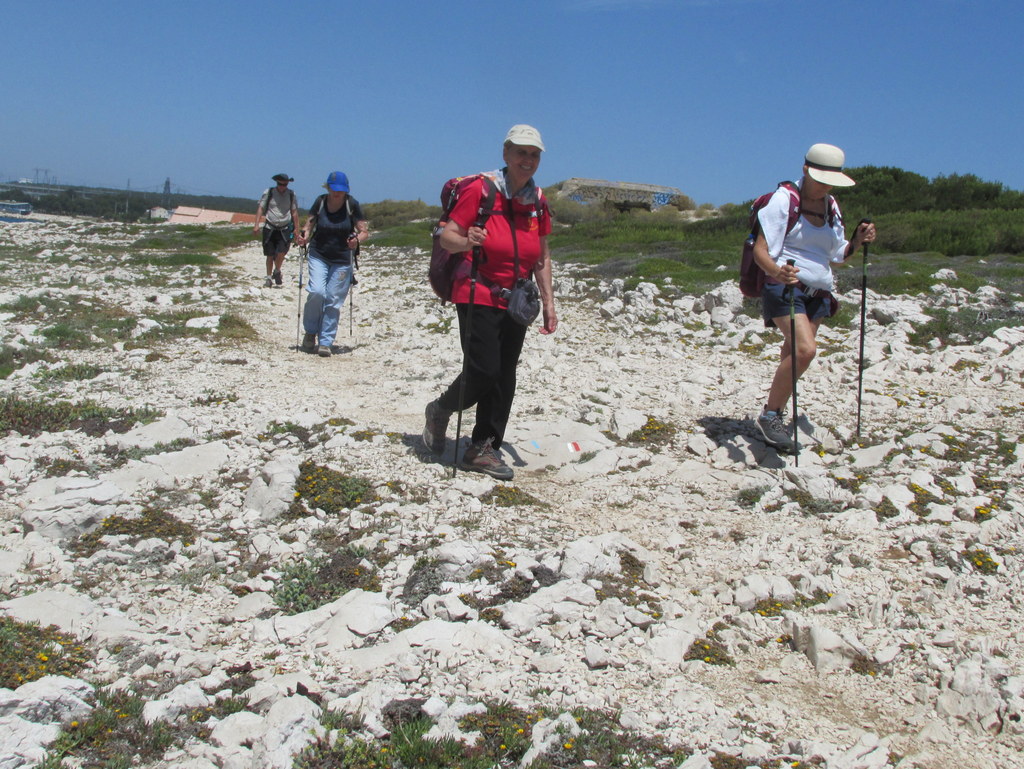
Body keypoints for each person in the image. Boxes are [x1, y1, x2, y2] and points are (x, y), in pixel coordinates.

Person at [422, 124, 558, 480]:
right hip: (476, 289)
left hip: (517, 298)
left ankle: (483, 448)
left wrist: (549, 302)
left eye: (534, 154)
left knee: (505, 374)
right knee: (484, 368)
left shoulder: (537, 200)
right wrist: (468, 241)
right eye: (521, 152)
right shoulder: (481, 190)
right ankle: (440, 410)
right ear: (506, 153)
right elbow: (447, 236)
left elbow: (541, 256)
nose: (527, 160)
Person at [752, 143, 877, 453]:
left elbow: (836, 255)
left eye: (831, 182)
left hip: (818, 293)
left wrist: (857, 242)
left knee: (792, 354)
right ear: (806, 170)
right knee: (805, 351)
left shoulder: (831, 206)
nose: (826, 187)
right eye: (821, 179)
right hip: (786, 287)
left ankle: (775, 417)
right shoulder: (784, 201)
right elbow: (760, 251)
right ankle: (770, 417)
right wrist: (778, 272)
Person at [295, 171, 368, 357]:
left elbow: (364, 231)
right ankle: (311, 332)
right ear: (327, 188)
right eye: (334, 189)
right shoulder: (320, 202)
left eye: (340, 190)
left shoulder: (352, 205)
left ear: (346, 191)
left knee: (333, 300)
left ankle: (326, 341)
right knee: (317, 291)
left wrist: (357, 240)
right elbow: (309, 225)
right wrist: (304, 236)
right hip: (319, 253)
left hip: (342, 258)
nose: (337, 193)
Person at [254, 173, 301, 287]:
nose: (282, 187)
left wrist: (296, 228)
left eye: (284, 184)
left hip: (285, 227)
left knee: (282, 252)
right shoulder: (268, 193)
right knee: (269, 254)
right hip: (270, 227)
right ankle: (269, 277)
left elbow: (294, 212)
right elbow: (261, 208)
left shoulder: (291, 194)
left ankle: (277, 270)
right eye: (280, 184)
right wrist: (256, 224)